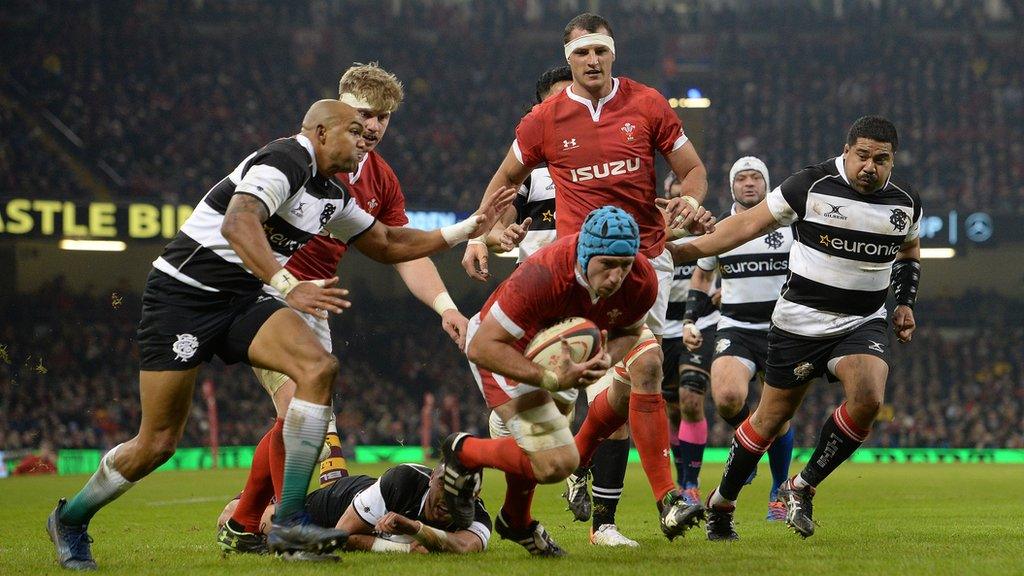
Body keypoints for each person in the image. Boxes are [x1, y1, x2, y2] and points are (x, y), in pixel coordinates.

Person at [46, 99, 513, 570]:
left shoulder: (331, 193)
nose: (363, 141)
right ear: (321, 132)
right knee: (157, 443)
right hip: (182, 298)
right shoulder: (286, 159)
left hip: (244, 298)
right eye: (354, 130)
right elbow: (238, 222)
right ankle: (70, 519)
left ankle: (291, 521)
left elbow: (389, 243)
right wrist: (290, 285)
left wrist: (468, 228)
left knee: (318, 370)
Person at [461, 11, 714, 541]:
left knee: (633, 379)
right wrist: (480, 235)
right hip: (577, 266)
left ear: (613, 53)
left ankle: (609, 510)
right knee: (580, 392)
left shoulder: (647, 104)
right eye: (581, 53)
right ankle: (563, 489)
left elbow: (692, 170)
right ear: (568, 58)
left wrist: (688, 200)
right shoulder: (545, 119)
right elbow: (505, 179)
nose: (591, 60)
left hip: (646, 263)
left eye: (600, 51)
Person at [219, 62, 472, 555]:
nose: (373, 127)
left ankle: (247, 520)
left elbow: (399, 249)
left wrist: (446, 306)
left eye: (383, 118)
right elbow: (243, 219)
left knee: (292, 420)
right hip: (265, 292)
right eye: (363, 115)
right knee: (298, 411)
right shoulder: (295, 160)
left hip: (316, 304)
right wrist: (278, 279)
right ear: (335, 113)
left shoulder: (381, 179)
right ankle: (293, 528)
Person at [669, 116, 921, 540]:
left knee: (869, 398)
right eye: (862, 156)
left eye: (881, 160)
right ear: (846, 151)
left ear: (892, 160)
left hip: (862, 321)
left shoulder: (905, 202)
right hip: (799, 323)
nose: (869, 167)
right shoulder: (809, 185)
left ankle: (801, 487)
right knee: (769, 419)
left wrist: (905, 304)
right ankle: (722, 502)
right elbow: (743, 226)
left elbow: (909, 251)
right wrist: (675, 252)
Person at [443, 206, 660, 557]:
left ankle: (516, 521)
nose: (617, 276)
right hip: (504, 351)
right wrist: (548, 377)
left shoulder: (641, 279)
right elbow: (482, 346)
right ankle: (464, 452)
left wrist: (603, 357)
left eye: (625, 264)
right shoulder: (545, 275)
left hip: (557, 359)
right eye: (607, 264)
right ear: (586, 254)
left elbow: (630, 330)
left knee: (542, 443)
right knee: (558, 463)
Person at [680, 157, 795, 522]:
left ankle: (779, 492)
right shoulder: (721, 229)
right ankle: (751, 446)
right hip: (736, 327)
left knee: (778, 417)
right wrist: (690, 319)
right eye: (741, 179)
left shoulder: (790, 224)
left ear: (767, 184)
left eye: (755, 178)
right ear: (731, 187)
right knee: (728, 399)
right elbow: (701, 278)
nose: (749, 184)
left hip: (783, 329)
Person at [218, 463, 490, 555]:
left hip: (366, 498)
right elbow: (340, 536)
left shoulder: (478, 515)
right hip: (338, 503)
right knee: (232, 520)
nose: (449, 498)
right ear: (432, 478)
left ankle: (330, 440)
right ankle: (249, 498)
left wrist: (414, 528)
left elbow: (464, 546)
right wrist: (402, 547)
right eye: (443, 484)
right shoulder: (403, 481)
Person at [658, 175, 721, 508]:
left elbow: (728, 266)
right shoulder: (655, 235)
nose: (679, 204)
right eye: (673, 198)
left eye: (686, 198)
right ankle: (682, 477)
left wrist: (731, 292)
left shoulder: (709, 230)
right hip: (664, 327)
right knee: (672, 410)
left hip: (700, 321)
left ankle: (692, 484)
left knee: (691, 400)